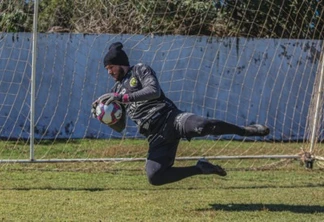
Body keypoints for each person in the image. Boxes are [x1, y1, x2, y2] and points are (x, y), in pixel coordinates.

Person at [91, 42, 270, 186]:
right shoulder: (116, 90)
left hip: (170, 118)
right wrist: (103, 116)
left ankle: (245, 131)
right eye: (107, 69)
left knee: (204, 126)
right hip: (155, 136)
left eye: (111, 67)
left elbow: (153, 90)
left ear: (120, 62)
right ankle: (200, 168)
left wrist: (122, 97)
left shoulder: (139, 70)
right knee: (155, 177)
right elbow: (120, 126)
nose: (109, 72)